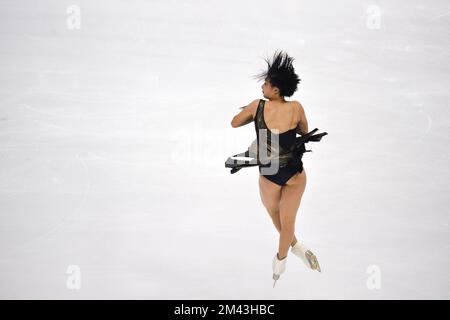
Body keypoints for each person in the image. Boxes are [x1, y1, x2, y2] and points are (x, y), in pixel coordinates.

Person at [229, 50, 324, 287]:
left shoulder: (257, 106)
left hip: (270, 173)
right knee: (288, 221)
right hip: (295, 172)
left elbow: (234, 123)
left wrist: (251, 111)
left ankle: (290, 255)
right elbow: (304, 131)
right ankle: (282, 260)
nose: (262, 86)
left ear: (275, 90)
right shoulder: (297, 107)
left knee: (277, 218)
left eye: (266, 83)